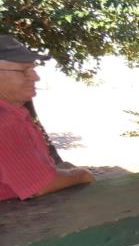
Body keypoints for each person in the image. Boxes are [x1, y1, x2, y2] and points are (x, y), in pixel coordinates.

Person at [0, 35, 94, 200]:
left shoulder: (13, 112)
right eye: (24, 71)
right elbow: (40, 185)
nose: (36, 77)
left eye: (33, 68)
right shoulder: (6, 121)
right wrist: (82, 175)